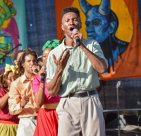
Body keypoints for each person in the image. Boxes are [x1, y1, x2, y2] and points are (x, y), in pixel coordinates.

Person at [46, 7, 108, 136]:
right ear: (62, 26)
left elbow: (102, 68)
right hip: (68, 103)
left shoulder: (92, 45)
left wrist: (82, 46)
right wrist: (59, 70)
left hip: (90, 100)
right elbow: (51, 92)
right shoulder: (55, 53)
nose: (71, 22)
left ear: (80, 24)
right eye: (67, 20)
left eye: (75, 20)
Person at [32, 40, 62, 136]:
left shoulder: (64, 73)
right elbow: (38, 103)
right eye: (44, 56)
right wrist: (42, 80)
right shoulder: (37, 78)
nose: (46, 58)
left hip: (63, 113)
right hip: (46, 116)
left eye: (49, 55)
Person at [8, 47, 40, 136]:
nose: (32, 64)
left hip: (43, 119)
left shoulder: (42, 78)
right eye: (28, 61)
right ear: (23, 64)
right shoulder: (16, 84)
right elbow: (12, 109)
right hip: (26, 122)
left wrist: (40, 76)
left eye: (34, 61)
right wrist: (21, 105)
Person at [0, 64, 19, 136]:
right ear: (5, 80)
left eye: (15, 78)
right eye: (9, 79)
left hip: (19, 126)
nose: (13, 81)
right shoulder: (0, 91)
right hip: (4, 127)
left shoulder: (22, 91)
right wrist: (10, 91)